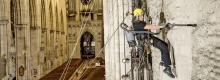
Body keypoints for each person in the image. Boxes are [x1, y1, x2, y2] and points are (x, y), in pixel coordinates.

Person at [133, 8, 175, 78]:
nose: (143, 17)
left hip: (148, 38)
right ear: (137, 16)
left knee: (164, 45)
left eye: (143, 15)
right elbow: (150, 26)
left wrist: (160, 26)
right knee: (164, 47)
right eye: (141, 15)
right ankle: (167, 67)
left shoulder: (139, 23)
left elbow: (149, 26)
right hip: (147, 40)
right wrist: (163, 26)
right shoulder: (137, 24)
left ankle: (163, 61)